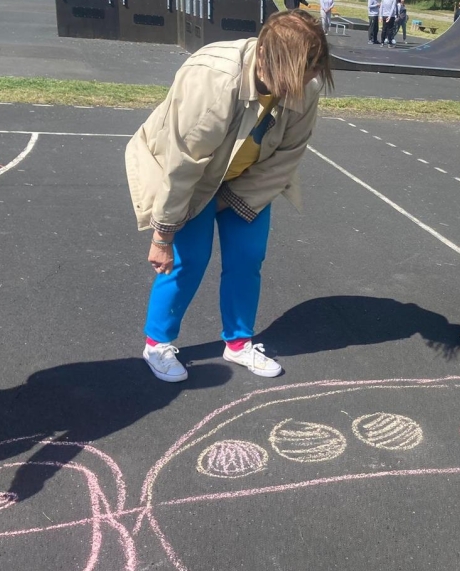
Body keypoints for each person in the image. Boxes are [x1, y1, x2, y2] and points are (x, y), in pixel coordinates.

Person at [125, 10, 334, 383]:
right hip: (191, 174)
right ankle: (157, 342)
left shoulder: (309, 83)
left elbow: (288, 154)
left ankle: (237, 343)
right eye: (304, 71)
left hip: (249, 177)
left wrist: (238, 199)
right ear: (273, 62)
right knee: (188, 258)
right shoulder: (213, 79)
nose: (310, 80)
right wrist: (162, 234)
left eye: (314, 70)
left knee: (248, 256)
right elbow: (182, 163)